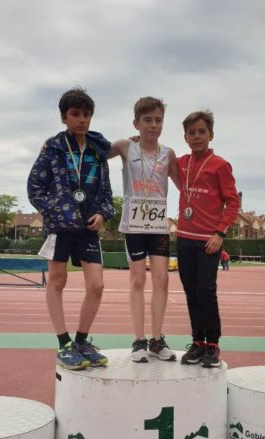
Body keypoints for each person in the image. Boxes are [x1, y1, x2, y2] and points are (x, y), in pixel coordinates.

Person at [27, 88, 114, 370]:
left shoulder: (98, 151)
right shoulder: (53, 148)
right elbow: (34, 188)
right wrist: (57, 211)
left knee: (97, 285)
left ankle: (81, 341)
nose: (82, 120)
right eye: (75, 114)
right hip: (61, 228)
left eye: (86, 114)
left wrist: (103, 213)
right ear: (64, 117)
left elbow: (106, 192)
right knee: (57, 281)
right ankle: (64, 344)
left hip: (88, 229)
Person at [108, 97, 178, 363]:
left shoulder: (168, 153)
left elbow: (185, 185)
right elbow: (95, 150)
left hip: (158, 226)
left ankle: (156, 340)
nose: (153, 125)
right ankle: (138, 340)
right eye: (147, 120)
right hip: (134, 225)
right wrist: (55, 144)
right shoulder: (125, 146)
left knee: (162, 279)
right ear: (136, 123)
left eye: (158, 120)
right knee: (138, 280)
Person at [177, 110, 239, 368]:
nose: (197, 136)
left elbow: (233, 202)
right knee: (191, 292)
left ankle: (212, 344)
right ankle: (197, 342)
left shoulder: (220, 165)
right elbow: (155, 156)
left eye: (202, 131)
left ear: (210, 134)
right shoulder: (180, 163)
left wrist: (220, 233)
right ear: (185, 137)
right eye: (191, 132)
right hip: (183, 237)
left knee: (206, 291)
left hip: (209, 240)